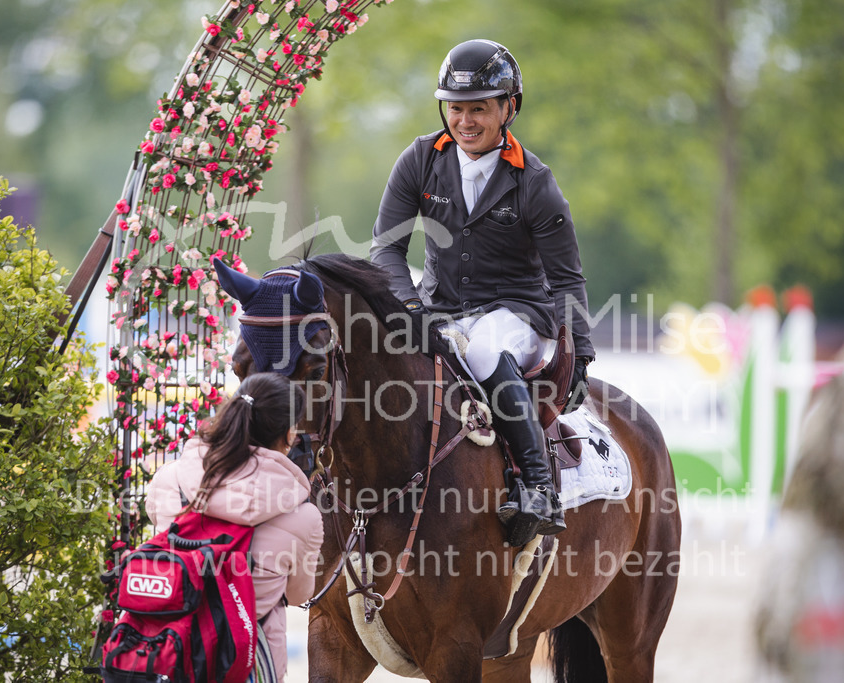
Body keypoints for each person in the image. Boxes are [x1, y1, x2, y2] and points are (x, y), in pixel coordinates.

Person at [369, 39, 595, 547]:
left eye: (479, 108)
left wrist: (580, 351)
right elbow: (386, 250)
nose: (465, 120)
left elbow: (567, 278)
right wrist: (409, 308)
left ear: (508, 108)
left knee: (486, 347)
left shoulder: (535, 182)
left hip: (517, 314)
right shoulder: (419, 160)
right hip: (439, 309)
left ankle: (538, 486)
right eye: (456, 108)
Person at [146, 373, 323, 682]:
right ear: (289, 434)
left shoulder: (169, 480)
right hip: (244, 664)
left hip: (166, 654)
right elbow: (297, 595)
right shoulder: (302, 516)